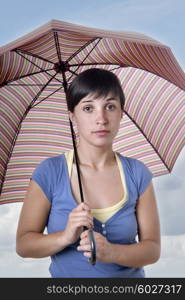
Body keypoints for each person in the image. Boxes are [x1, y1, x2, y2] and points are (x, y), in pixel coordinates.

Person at [16, 68, 161, 278]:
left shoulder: (137, 173)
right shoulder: (49, 172)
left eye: (110, 106)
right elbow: (24, 245)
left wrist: (112, 252)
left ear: (121, 113)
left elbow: (153, 249)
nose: (101, 118)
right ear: (72, 116)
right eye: (88, 108)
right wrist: (65, 236)